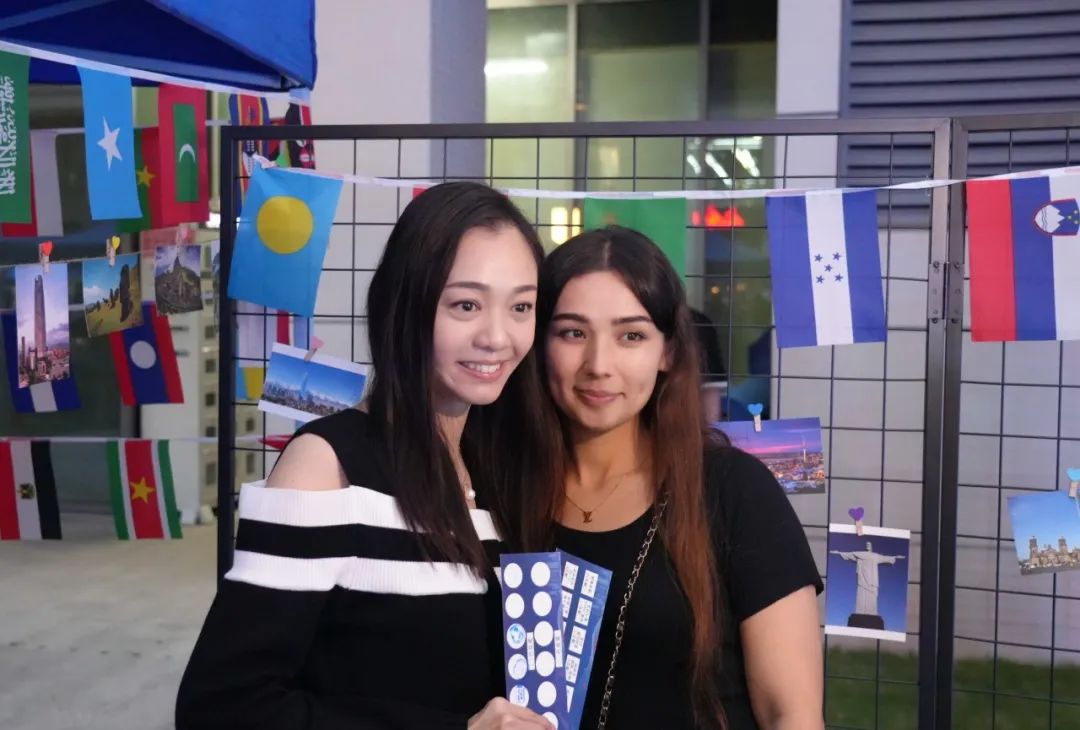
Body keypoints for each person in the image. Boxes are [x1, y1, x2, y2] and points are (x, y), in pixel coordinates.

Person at [176, 182, 558, 730]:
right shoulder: (326, 468)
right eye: (466, 305)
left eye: (521, 306)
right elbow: (221, 707)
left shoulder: (500, 468)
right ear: (404, 305)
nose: (497, 337)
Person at [534, 226, 824, 730]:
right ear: (539, 342)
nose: (599, 365)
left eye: (631, 335)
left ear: (668, 352)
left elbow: (792, 715)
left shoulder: (734, 491)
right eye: (573, 333)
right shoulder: (496, 487)